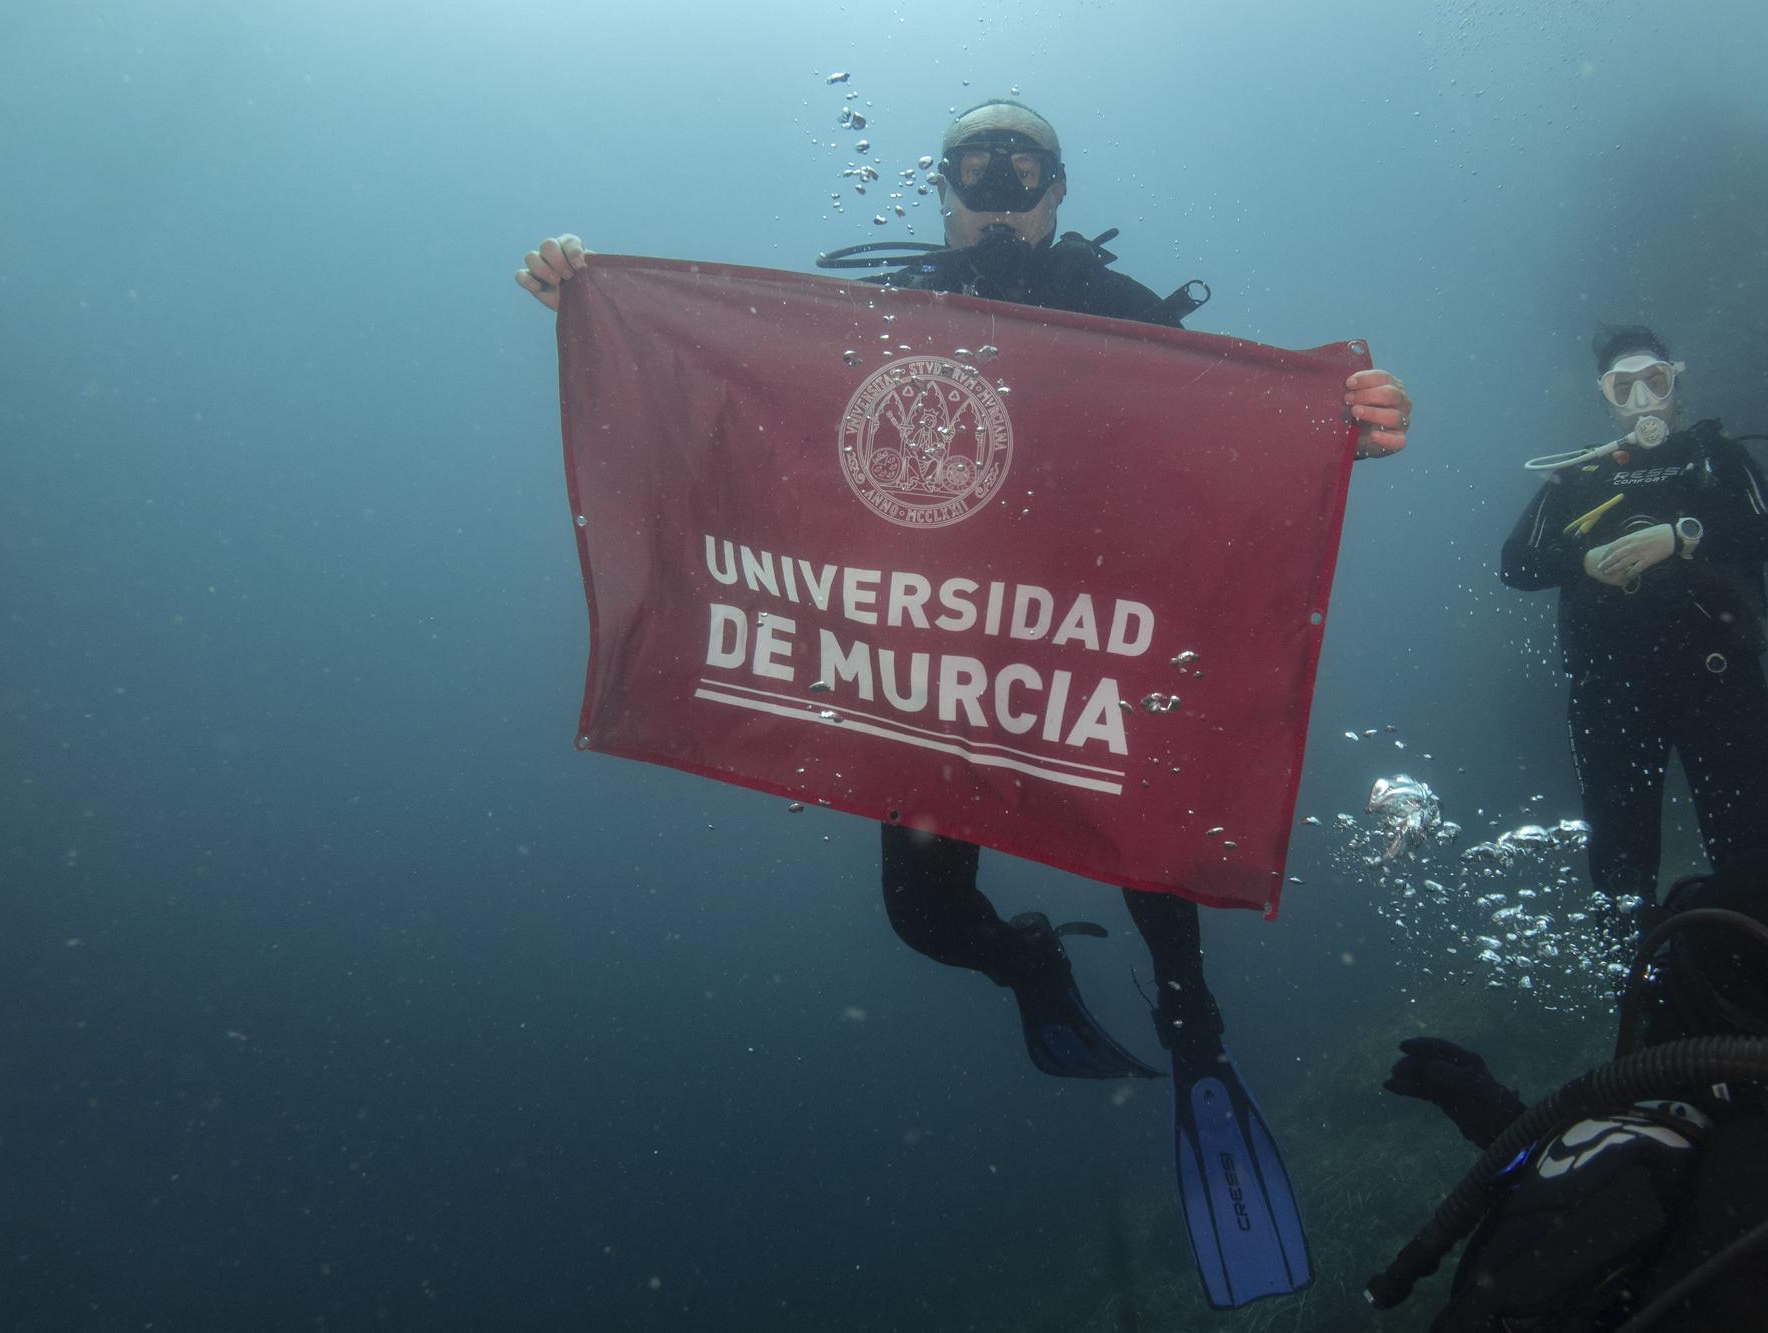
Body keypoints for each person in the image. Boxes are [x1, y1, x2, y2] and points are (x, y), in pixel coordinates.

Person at [517, 98, 1413, 1309]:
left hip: (1085, 644)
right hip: (936, 657)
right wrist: (592, 300)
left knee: (1155, 858)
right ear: (939, 190)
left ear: (1056, 186)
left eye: (1021, 165)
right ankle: (1031, 968)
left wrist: (1340, 429)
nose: (998, 188)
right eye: (974, 168)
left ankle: (1194, 1033)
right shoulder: (882, 315)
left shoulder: (1118, 309)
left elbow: (1237, 430)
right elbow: (752, 395)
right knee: (920, 919)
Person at [1373, 847, 1768, 1331]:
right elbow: (1694, 1181)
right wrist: (1493, 1112)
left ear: (1687, 978)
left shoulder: (1642, 1163)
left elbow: (1622, 1194)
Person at [1499, 326, 1768, 928]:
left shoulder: (1719, 459)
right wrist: (1581, 561)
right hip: (1612, 694)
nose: (1642, 400)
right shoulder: (1580, 477)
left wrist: (1685, 537)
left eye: (1654, 382)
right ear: (1605, 399)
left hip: (1721, 682)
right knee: (1620, 870)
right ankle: (1638, 1003)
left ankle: (1757, 997)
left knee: (1749, 853)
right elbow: (1517, 563)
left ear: (1676, 387)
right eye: (1623, 386)